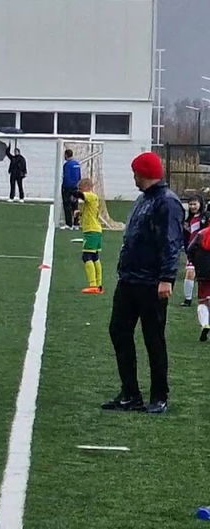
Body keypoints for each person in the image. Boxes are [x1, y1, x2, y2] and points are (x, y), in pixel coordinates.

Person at [102, 152, 182, 415]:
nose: (133, 178)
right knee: (119, 331)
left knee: (154, 339)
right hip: (129, 280)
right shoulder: (144, 199)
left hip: (151, 283)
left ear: (144, 173)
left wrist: (167, 278)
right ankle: (130, 393)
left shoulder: (167, 203)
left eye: (136, 173)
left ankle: (159, 396)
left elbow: (171, 243)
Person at [76, 177, 105, 295]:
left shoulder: (91, 196)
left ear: (87, 188)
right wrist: (80, 213)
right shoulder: (92, 199)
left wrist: (70, 190)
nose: (80, 191)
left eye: (81, 188)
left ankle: (93, 285)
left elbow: (81, 196)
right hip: (96, 230)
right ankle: (98, 285)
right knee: (95, 257)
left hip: (91, 231)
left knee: (87, 256)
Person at [187, 200, 210, 340]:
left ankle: (205, 324)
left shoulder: (201, 234)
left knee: (202, 300)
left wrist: (195, 262)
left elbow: (190, 250)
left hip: (203, 271)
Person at [181, 193, 204, 307]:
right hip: (193, 252)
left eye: (195, 204)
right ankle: (187, 299)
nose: (192, 206)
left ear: (200, 204)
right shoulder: (188, 220)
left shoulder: (205, 218)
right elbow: (186, 236)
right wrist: (187, 248)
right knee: (190, 273)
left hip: (205, 251)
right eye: (190, 204)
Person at [62, 149, 82, 229]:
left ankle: (69, 224)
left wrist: (64, 186)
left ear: (66, 155)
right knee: (75, 205)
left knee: (67, 205)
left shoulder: (67, 165)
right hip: (75, 187)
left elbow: (66, 176)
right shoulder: (77, 164)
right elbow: (79, 176)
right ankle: (76, 224)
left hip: (68, 187)